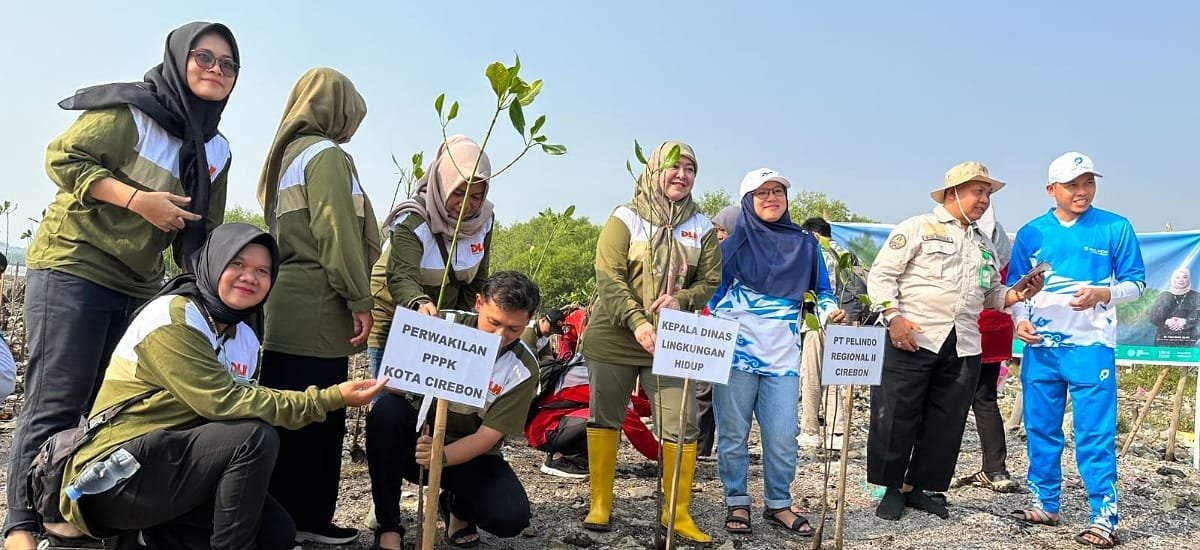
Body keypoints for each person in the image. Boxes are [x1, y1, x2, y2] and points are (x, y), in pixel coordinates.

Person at [5, 22, 240, 549]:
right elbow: (64, 157)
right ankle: (21, 525)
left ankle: (73, 519)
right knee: (56, 399)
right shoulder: (131, 112)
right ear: (179, 60)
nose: (216, 70)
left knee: (110, 406)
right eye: (204, 57)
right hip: (74, 263)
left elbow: (202, 234)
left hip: (139, 282)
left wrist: (209, 298)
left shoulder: (217, 149)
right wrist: (139, 201)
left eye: (228, 64)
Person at [55, 223, 385, 550]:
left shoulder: (243, 335)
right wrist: (331, 397)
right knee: (254, 438)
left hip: (175, 469)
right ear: (213, 263)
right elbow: (225, 402)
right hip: (114, 478)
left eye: (262, 270)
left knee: (276, 533)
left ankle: (145, 539)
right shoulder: (173, 318)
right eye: (237, 264)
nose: (249, 277)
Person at [866, 161, 1042, 521]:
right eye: (978, 191)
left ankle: (919, 488)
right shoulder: (917, 227)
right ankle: (891, 489)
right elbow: (882, 275)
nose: (984, 200)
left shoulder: (983, 243)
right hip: (913, 336)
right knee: (897, 414)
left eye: (988, 194)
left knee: (945, 421)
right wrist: (892, 316)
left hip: (963, 343)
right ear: (953, 194)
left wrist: (1016, 294)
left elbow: (991, 293)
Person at [256, 67, 380, 546]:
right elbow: (338, 234)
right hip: (319, 307)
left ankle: (280, 518)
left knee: (286, 414)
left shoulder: (285, 155)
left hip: (283, 306)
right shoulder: (326, 155)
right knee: (319, 419)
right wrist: (359, 297)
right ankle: (310, 520)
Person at [580, 141, 721, 542]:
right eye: (673, 167)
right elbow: (609, 278)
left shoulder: (703, 228)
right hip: (617, 331)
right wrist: (639, 321)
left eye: (690, 169)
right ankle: (601, 503)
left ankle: (676, 513)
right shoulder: (624, 218)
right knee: (605, 415)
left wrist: (682, 299)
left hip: (674, 337)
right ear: (654, 170)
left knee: (683, 421)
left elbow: (709, 281)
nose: (681, 175)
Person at [1008, 152, 1145, 548]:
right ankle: (1045, 502)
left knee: (1093, 433)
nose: (1082, 191)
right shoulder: (1032, 232)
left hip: (1092, 347)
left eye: (1088, 183)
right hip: (1042, 348)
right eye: (1072, 185)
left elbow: (1136, 284)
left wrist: (1104, 292)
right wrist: (1020, 320)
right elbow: (1017, 290)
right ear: (1052, 190)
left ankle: (1103, 516)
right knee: (1040, 427)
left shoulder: (1115, 227)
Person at [708, 169, 844, 536]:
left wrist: (831, 313)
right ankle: (736, 500)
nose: (771, 198)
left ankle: (778, 503)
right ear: (747, 201)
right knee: (733, 434)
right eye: (762, 193)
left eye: (778, 191)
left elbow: (822, 293)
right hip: (735, 357)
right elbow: (710, 300)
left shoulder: (805, 245)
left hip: (782, 359)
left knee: (783, 434)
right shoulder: (730, 246)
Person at [366, 271, 542, 550]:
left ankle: (456, 505)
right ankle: (389, 526)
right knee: (386, 412)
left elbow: (487, 437)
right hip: (415, 442)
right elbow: (392, 386)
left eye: (514, 329)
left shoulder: (523, 369)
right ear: (478, 303)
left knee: (510, 517)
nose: (500, 336)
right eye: (494, 322)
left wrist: (441, 455)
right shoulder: (440, 326)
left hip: (468, 455)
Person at [367, 135, 494, 377]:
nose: (465, 204)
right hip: (395, 313)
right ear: (443, 183)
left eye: (476, 196)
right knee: (390, 403)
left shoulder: (484, 220)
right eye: (458, 192)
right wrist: (419, 302)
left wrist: (463, 325)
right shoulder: (412, 218)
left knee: (434, 399)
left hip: (442, 319)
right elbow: (401, 278)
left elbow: (478, 279)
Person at [955, 205, 1020, 492]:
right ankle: (996, 469)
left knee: (947, 401)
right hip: (997, 330)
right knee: (985, 400)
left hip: (970, 328)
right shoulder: (1005, 249)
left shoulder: (969, 244)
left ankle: (925, 475)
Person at [525, 355, 660, 479]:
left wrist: (659, 409)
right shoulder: (596, 381)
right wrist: (662, 456)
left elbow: (627, 400)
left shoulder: (593, 370)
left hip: (549, 426)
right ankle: (566, 461)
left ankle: (573, 456)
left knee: (607, 412)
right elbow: (625, 413)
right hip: (544, 432)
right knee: (608, 417)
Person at [797, 216, 868, 450]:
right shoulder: (846, 254)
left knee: (812, 376)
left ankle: (810, 431)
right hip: (845, 321)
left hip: (817, 321)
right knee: (835, 378)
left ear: (813, 234)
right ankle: (837, 431)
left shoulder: (814, 252)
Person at [694, 204, 739, 458]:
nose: (719, 235)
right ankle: (700, 449)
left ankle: (720, 449)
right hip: (707, 328)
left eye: (724, 230)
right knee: (703, 392)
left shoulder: (740, 259)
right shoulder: (710, 255)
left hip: (727, 331)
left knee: (721, 394)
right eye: (716, 229)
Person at [1148, 267, 1200, 347]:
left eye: (1184, 277)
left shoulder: (1197, 296)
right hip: (1164, 340)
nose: (1181, 280)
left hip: (1189, 341)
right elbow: (1153, 316)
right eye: (1178, 277)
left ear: (1189, 279)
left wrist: (1186, 321)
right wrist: (1167, 321)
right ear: (1173, 279)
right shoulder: (1164, 295)